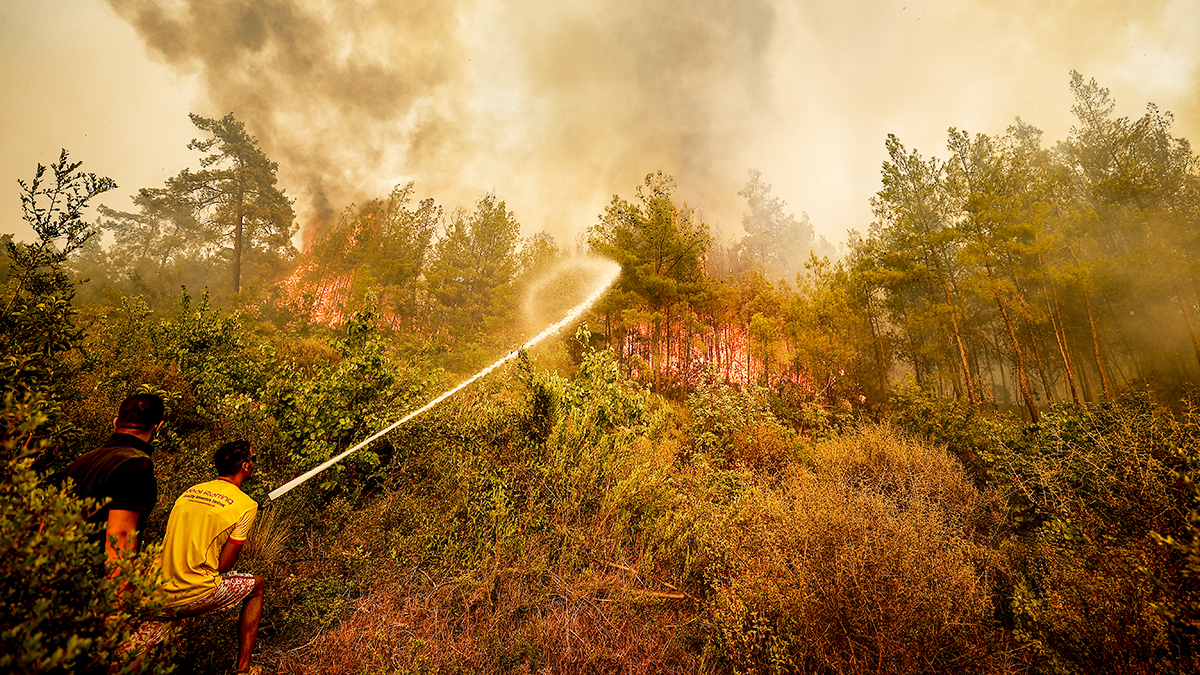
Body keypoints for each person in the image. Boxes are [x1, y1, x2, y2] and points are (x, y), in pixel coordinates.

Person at [130, 441, 265, 675]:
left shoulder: (189, 492)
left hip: (155, 591)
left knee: (126, 657)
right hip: (195, 591)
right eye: (253, 459)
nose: (254, 463)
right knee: (257, 586)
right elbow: (224, 565)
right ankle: (243, 670)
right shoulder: (246, 505)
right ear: (245, 466)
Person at [65, 393, 166, 567]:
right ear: (158, 428)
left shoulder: (81, 461)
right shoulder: (135, 465)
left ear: (115, 423)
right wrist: (121, 590)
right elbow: (121, 535)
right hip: (91, 577)